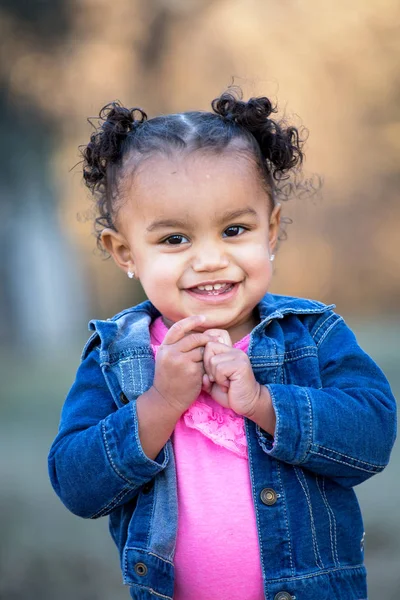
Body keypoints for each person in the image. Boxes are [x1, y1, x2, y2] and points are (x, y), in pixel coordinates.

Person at [48, 89, 396, 600]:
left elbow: (372, 438)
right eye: (174, 239)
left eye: (234, 229)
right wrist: (160, 403)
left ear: (270, 230)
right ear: (124, 251)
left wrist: (264, 404)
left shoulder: (312, 333)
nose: (210, 259)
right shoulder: (117, 356)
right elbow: (78, 485)